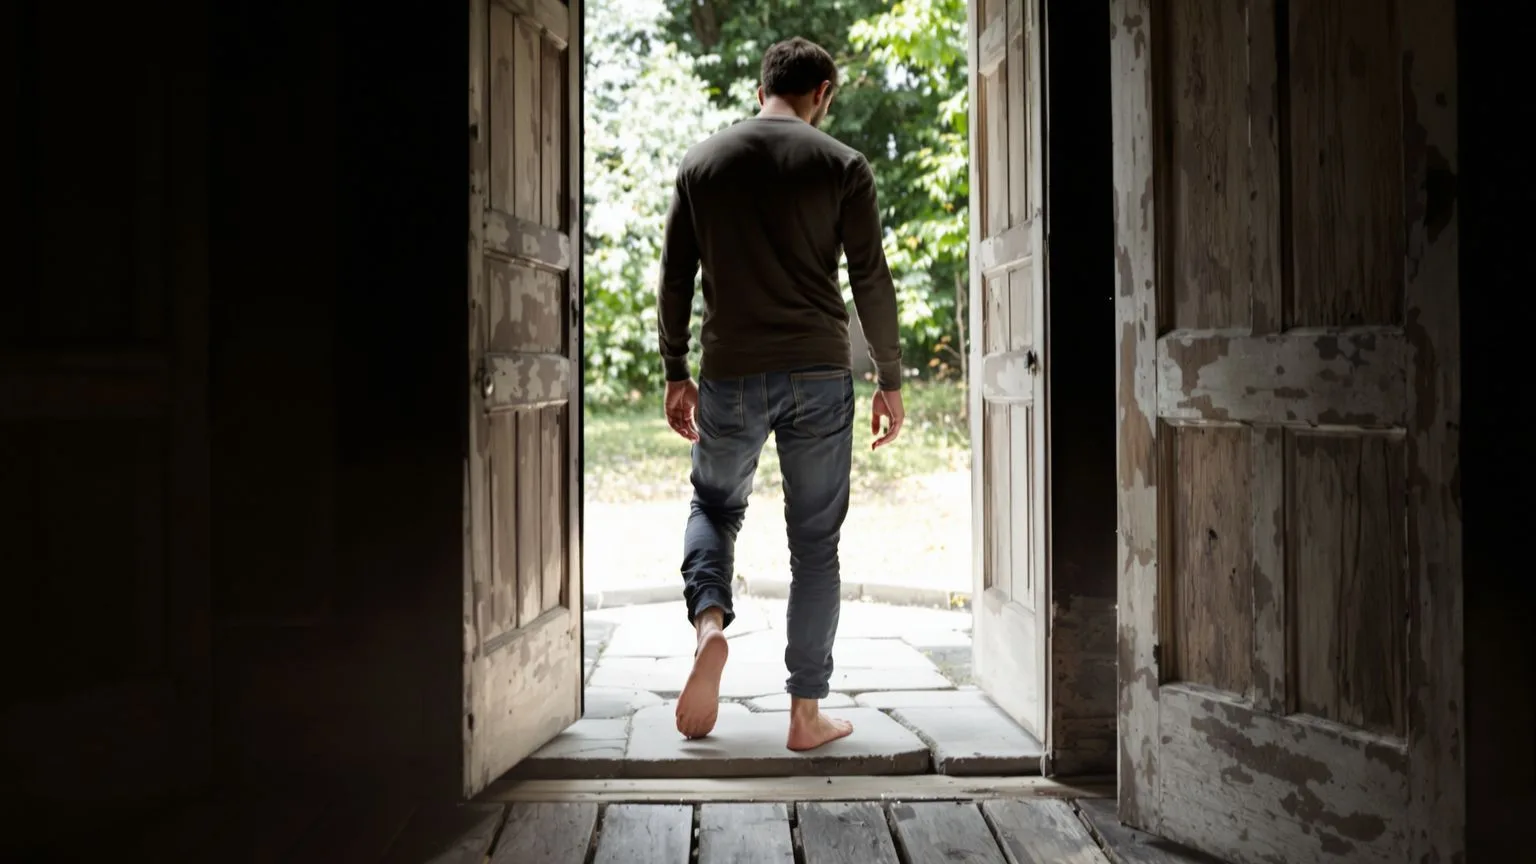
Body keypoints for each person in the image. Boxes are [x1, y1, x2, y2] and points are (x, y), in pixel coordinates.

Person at [655, 36, 905, 751]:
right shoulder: (842, 165)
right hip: (821, 373)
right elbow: (870, 280)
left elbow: (675, 277)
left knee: (714, 505)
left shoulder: (702, 164)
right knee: (815, 542)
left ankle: (710, 626)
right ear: (821, 91)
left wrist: (676, 369)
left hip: (729, 372)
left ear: (760, 86)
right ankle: (804, 714)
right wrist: (889, 377)